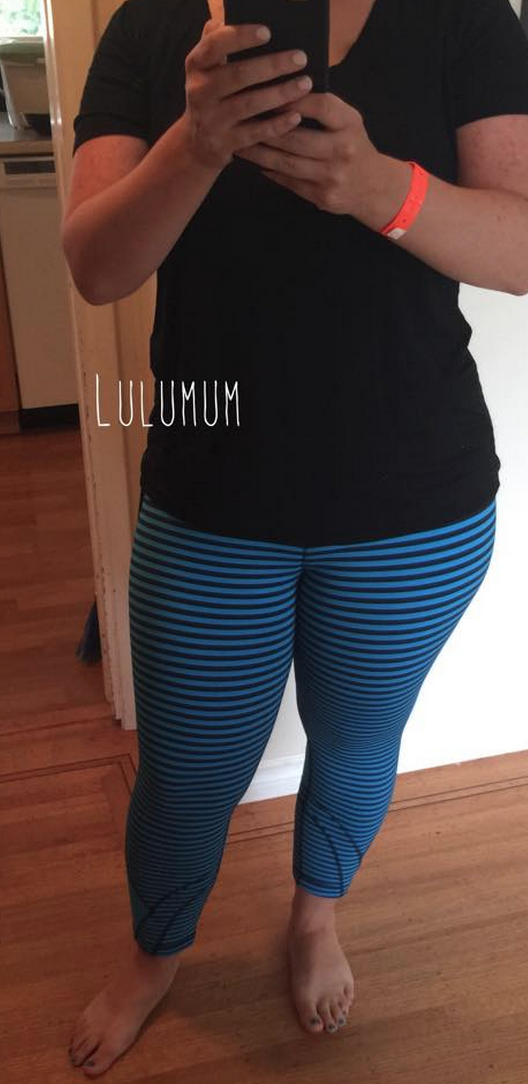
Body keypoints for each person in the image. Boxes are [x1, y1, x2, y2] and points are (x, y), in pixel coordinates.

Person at [62, 0, 528, 1075]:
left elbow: (518, 250)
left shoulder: (465, 17)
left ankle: (317, 917)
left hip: (419, 500)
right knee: (186, 775)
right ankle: (154, 952)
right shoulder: (150, 28)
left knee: (357, 743)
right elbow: (95, 267)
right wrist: (196, 144)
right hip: (211, 493)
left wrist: (379, 188)